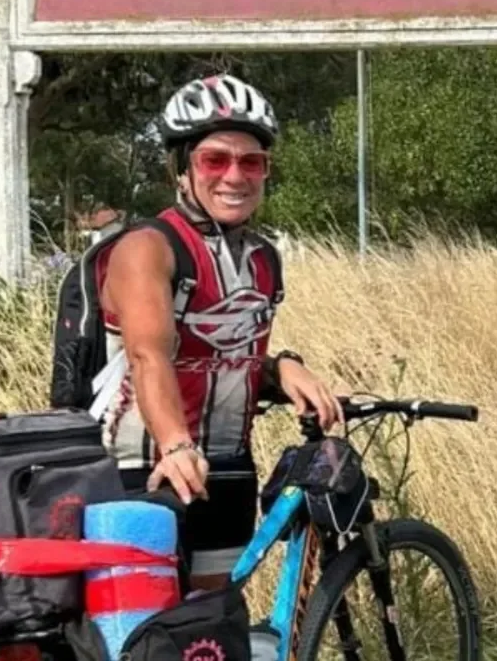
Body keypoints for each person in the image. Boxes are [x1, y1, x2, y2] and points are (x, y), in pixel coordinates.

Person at [95, 74, 344, 593]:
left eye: (251, 162)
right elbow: (148, 355)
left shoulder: (262, 259)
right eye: (215, 160)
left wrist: (281, 367)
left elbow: (225, 349)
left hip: (227, 468)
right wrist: (175, 444)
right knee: (143, 633)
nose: (235, 175)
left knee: (211, 631)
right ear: (182, 171)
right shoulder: (148, 247)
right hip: (141, 468)